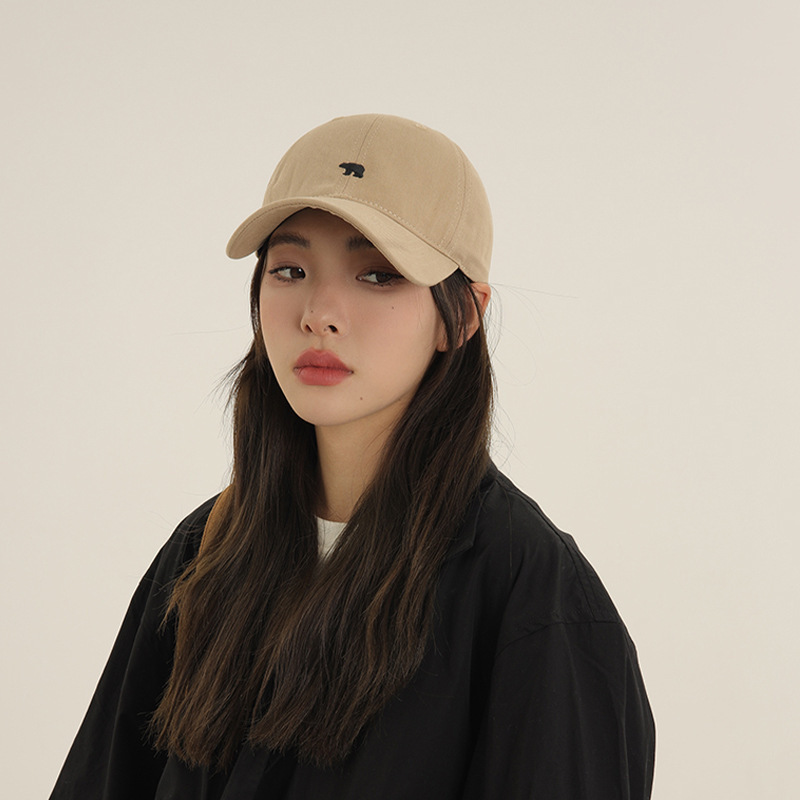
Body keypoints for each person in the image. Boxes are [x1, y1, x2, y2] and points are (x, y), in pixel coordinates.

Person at [50, 114, 655, 799]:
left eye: (376, 275)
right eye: (290, 269)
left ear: (462, 314)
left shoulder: (532, 598)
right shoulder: (205, 553)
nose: (318, 312)